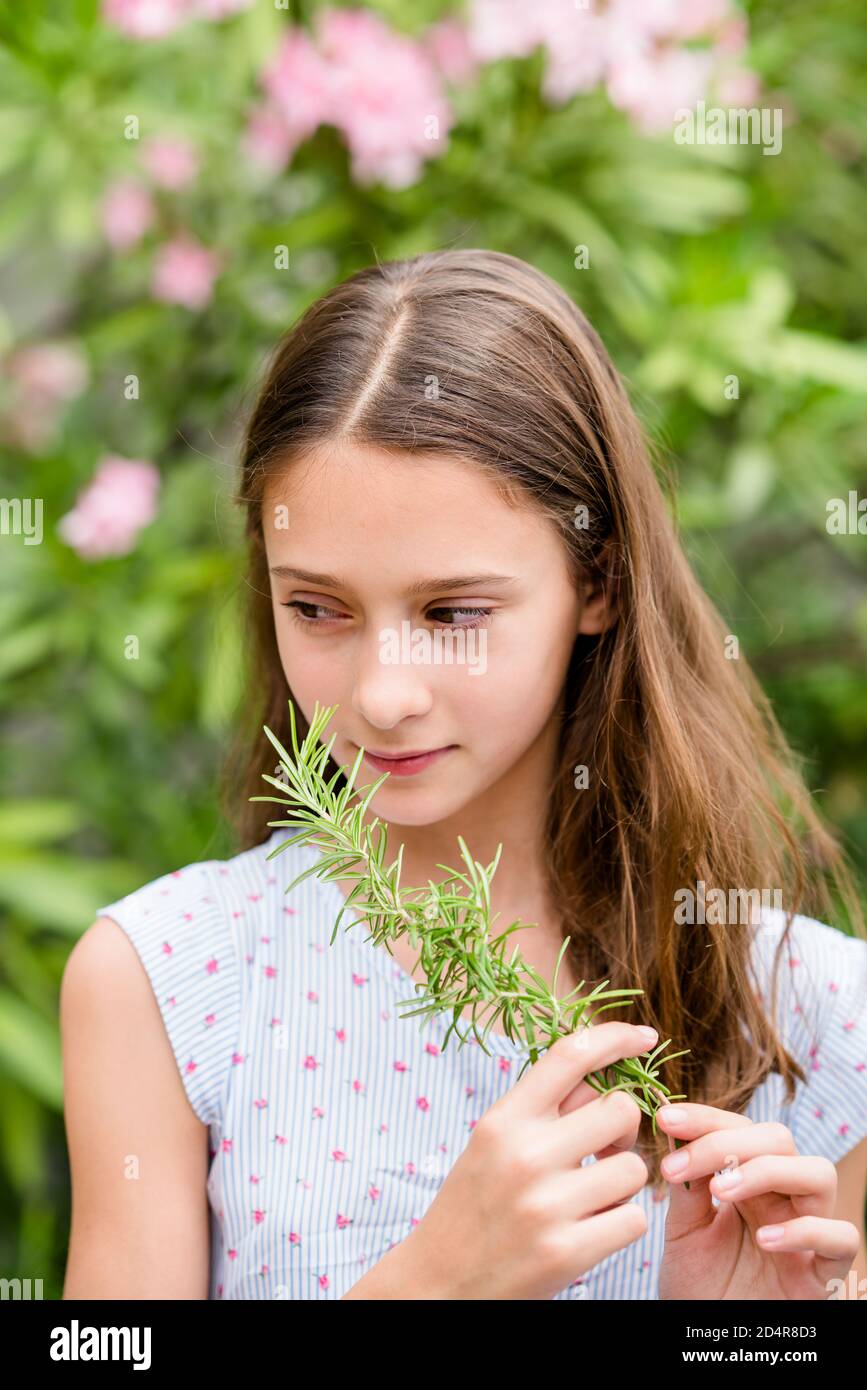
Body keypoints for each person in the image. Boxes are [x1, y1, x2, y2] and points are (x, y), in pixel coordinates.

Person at [61, 249, 867, 1300]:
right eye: (317, 608)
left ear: (600, 580)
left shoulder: (813, 1014)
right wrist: (434, 1284)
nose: (385, 690)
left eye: (453, 613)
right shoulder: (174, 983)